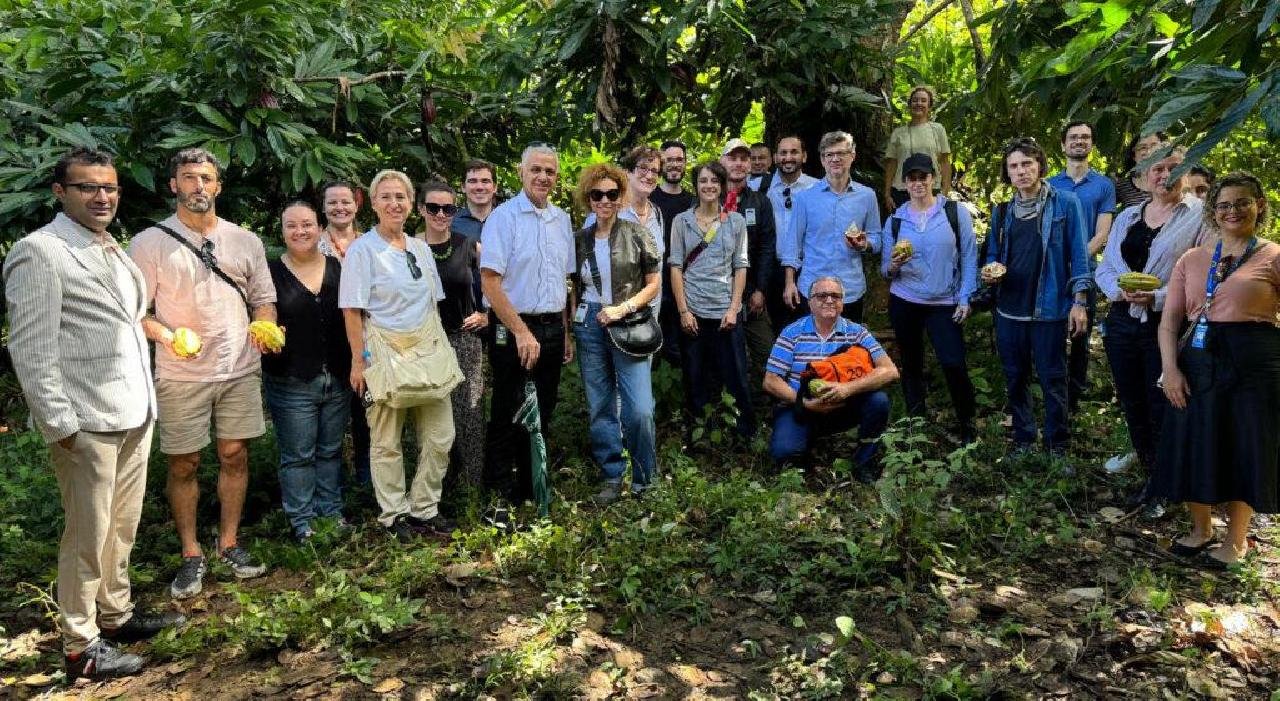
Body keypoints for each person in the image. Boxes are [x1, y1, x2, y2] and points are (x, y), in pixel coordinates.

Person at [4, 148, 184, 680]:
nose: (102, 197)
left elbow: (128, 322)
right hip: (84, 421)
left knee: (121, 526)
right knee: (88, 533)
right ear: (60, 192)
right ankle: (81, 646)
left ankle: (116, 613)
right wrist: (60, 424)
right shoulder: (41, 252)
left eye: (109, 187)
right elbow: (30, 348)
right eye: (88, 187)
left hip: (132, 410)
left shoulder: (110, 249)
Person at [129, 148, 275, 598]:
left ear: (218, 186)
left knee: (235, 454)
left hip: (238, 368)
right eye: (189, 178)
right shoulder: (149, 242)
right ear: (174, 185)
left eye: (206, 178)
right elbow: (139, 313)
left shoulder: (244, 241)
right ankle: (191, 553)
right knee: (184, 462)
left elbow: (262, 297)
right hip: (181, 373)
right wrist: (169, 337)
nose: (198, 186)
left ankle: (229, 542)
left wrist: (265, 324)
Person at [1152, 172, 1280, 569]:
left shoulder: (1273, 256)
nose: (1233, 211)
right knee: (1196, 440)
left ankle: (1236, 541)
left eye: (1242, 202)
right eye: (1224, 204)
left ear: (1259, 205)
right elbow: (1170, 321)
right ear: (1212, 211)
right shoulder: (1192, 259)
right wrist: (1170, 369)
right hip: (1199, 363)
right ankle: (1201, 529)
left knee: (1245, 446)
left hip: (1254, 364)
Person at [340, 170, 461, 541]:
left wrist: (440, 349)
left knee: (441, 435)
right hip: (383, 350)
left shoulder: (420, 248)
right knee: (386, 440)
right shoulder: (363, 250)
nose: (395, 203)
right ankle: (394, 515)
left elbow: (432, 305)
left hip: (426, 349)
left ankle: (425, 508)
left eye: (401, 197)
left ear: (412, 205)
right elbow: (352, 310)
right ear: (373, 203)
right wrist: (359, 361)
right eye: (386, 197)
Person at [1095, 148, 1206, 516]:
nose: (1165, 175)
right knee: (1133, 402)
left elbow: (1204, 277)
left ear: (1187, 172)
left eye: (1174, 168)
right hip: (1122, 320)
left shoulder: (1199, 217)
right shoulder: (1129, 215)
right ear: (1144, 177)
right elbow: (1106, 267)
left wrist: (1156, 296)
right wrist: (1119, 291)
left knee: (1163, 403)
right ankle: (1149, 476)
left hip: (1167, 322)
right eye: (1157, 169)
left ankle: (1165, 487)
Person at [981, 138, 1091, 456]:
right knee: (1015, 377)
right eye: (1014, 166)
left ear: (1040, 165)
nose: (1021, 171)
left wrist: (1079, 302)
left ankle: (1058, 445)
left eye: (1027, 163)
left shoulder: (1066, 204)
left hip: (1049, 309)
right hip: (1009, 310)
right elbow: (991, 254)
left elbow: (1080, 259)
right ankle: (1024, 439)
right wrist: (989, 270)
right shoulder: (1002, 212)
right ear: (1008, 173)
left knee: (1053, 379)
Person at [480, 144, 575, 509]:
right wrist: (521, 331)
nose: (543, 177)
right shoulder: (503, 218)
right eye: (536, 170)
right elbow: (490, 282)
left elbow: (565, 282)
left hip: (552, 325)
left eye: (550, 172)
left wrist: (565, 330)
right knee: (508, 408)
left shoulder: (561, 219)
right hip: (514, 325)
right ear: (521, 172)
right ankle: (498, 494)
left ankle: (530, 486)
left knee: (543, 409)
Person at [570, 163, 662, 504]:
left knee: (639, 409)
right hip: (589, 324)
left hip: (628, 320)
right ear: (588, 199)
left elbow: (654, 284)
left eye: (611, 194)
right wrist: (570, 329)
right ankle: (612, 476)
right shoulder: (578, 240)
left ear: (621, 195)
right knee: (600, 406)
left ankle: (644, 480)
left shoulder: (638, 233)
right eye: (597, 194)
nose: (604, 200)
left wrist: (623, 309)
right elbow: (573, 290)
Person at [263, 202, 351, 542]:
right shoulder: (270, 272)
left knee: (330, 450)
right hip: (292, 378)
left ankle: (330, 511)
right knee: (298, 455)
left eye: (307, 224)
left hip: (338, 376)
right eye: (291, 225)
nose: (300, 231)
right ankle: (303, 521)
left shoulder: (338, 268)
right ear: (282, 231)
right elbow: (262, 311)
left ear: (319, 228)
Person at [881, 153, 978, 442]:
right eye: (911, 178)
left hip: (944, 302)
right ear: (904, 182)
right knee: (911, 364)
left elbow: (969, 257)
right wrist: (894, 264)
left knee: (953, 362)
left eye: (923, 177)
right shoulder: (896, 220)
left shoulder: (953, 212)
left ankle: (967, 424)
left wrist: (965, 298)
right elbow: (885, 270)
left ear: (933, 179)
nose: (917, 183)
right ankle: (916, 423)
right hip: (905, 300)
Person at [764, 277, 898, 484]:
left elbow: (890, 371)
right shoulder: (792, 333)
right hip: (800, 407)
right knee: (785, 453)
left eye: (835, 296)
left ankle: (864, 462)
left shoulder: (857, 333)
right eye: (821, 296)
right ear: (810, 302)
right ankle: (804, 447)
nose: (829, 300)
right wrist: (806, 403)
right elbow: (771, 381)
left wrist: (848, 388)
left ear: (843, 303)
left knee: (878, 401)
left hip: (843, 405)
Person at [669, 161, 753, 436]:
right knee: (695, 376)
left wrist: (734, 308)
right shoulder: (681, 222)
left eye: (714, 181)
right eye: (703, 181)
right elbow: (676, 267)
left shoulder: (736, 221)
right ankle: (700, 436)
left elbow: (740, 266)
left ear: (723, 186)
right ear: (696, 185)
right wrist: (683, 312)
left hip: (725, 314)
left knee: (736, 376)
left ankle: (743, 434)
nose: (709, 186)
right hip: (692, 312)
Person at [417, 180, 487, 489]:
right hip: (423, 343)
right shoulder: (409, 248)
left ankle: (473, 488)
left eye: (448, 208)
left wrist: (488, 316)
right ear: (421, 209)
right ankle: (435, 490)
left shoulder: (469, 245)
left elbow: (498, 285)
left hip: (464, 339)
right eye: (434, 207)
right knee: (430, 418)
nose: (441, 214)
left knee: (469, 415)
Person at [1048, 121, 1119, 414]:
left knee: (1080, 336)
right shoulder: (1049, 184)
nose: (1079, 141)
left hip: (1084, 272)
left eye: (1085, 137)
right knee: (1051, 333)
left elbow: (1102, 234)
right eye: (1073, 137)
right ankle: (1052, 394)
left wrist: (1073, 259)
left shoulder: (1103, 185)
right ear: (1063, 145)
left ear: (1091, 144)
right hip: (1051, 272)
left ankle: (1073, 401)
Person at [780, 131, 882, 323]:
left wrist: (864, 244)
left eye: (841, 154)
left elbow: (877, 237)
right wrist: (789, 283)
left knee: (847, 351)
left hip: (849, 290)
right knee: (812, 349)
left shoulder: (867, 196)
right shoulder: (804, 198)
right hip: (812, 288)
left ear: (852, 156)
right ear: (822, 159)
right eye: (829, 154)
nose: (835, 159)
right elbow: (792, 244)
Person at [720, 137, 778, 415]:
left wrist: (761, 290)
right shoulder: (709, 196)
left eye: (744, 158)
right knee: (727, 356)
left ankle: (765, 407)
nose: (739, 163)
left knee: (766, 352)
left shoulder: (760, 202)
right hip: (717, 294)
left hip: (752, 292)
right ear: (723, 161)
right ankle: (730, 409)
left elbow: (767, 247)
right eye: (733, 157)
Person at [318, 180, 371, 486]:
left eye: (345, 202)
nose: (340, 208)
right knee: (332, 422)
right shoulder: (313, 244)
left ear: (357, 203)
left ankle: (367, 485)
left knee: (368, 418)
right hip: (329, 346)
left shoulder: (370, 243)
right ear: (323, 207)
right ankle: (333, 489)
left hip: (367, 344)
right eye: (333, 202)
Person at [762, 135, 819, 327]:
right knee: (779, 328)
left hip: (809, 268)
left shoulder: (817, 188)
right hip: (773, 269)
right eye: (783, 153)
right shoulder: (762, 187)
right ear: (775, 157)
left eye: (794, 152)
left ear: (804, 156)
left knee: (810, 325)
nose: (788, 157)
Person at [651, 140, 696, 364]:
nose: (674, 164)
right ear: (661, 163)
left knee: (684, 354)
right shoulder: (649, 200)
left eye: (679, 159)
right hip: (653, 287)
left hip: (685, 290)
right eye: (669, 159)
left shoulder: (693, 203)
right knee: (651, 353)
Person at [882, 85, 952, 211]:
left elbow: (945, 162)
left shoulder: (938, 129)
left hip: (931, 190)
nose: (919, 103)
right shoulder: (898, 132)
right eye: (915, 100)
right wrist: (887, 194)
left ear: (929, 106)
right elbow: (892, 164)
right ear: (909, 104)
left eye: (923, 100)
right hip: (902, 191)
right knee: (903, 229)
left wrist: (945, 191)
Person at [451, 159, 498, 243]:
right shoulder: (450, 224)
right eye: (473, 181)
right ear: (463, 187)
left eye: (485, 181)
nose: (479, 187)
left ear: (494, 187)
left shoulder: (510, 222)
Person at [1115, 132, 1165, 208]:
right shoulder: (1123, 186)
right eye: (1143, 148)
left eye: (1154, 145)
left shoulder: (1173, 180)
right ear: (1134, 156)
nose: (1149, 152)